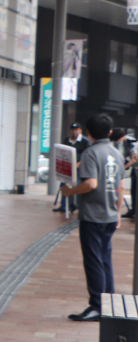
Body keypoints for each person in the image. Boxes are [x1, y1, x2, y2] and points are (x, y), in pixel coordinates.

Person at [64, 113, 124, 323]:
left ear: (88, 133)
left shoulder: (90, 153)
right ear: (109, 132)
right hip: (109, 216)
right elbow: (121, 186)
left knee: (93, 261)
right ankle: (108, 302)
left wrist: (69, 192)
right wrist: (117, 213)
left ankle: (97, 306)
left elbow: (90, 184)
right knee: (105, 259)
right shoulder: (116, 153)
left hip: (92, 216)